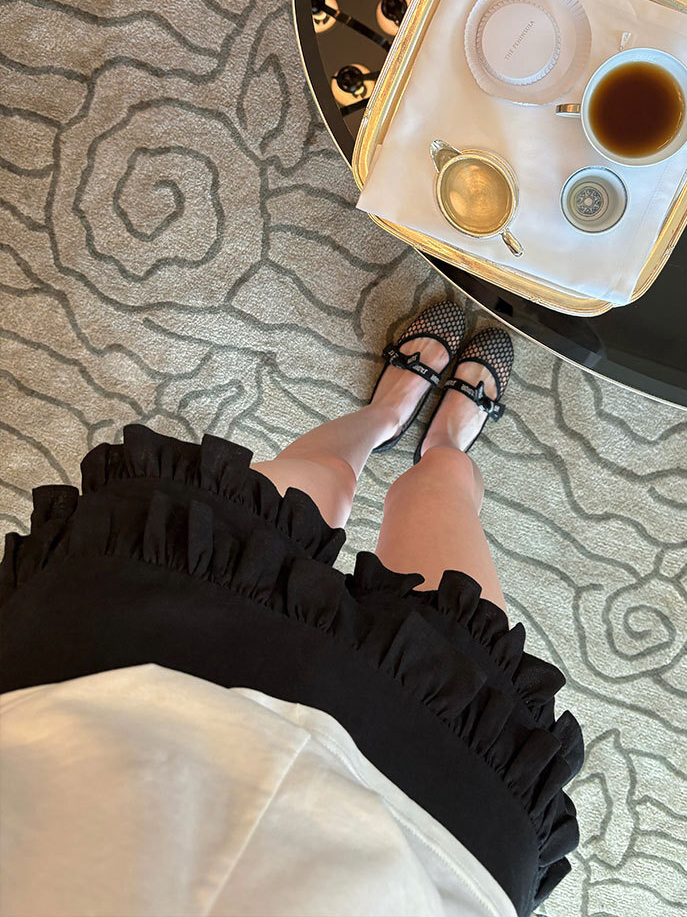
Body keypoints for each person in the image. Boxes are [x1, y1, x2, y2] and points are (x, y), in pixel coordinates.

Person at [0, 301, 583, 917]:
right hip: (435, 833)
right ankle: (444, 444)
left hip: (106, 701)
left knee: (307, 486)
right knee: (444, 509)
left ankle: (383, 417)